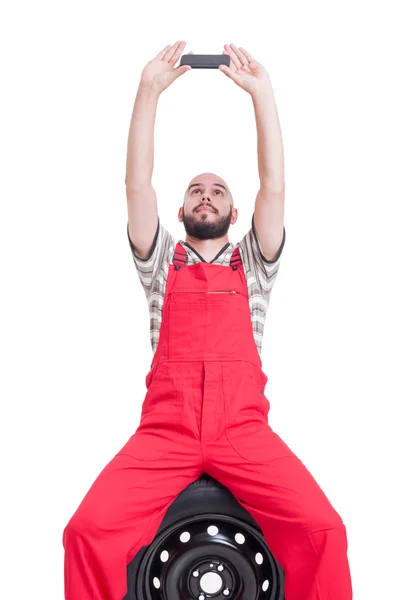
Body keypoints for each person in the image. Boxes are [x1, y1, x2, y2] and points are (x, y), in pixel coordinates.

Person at [62, 41, 353, 600]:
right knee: (87, 532)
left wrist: (262, 96)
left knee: (324, 532)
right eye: (196, 190)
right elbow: (136, 185)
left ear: (233, 214)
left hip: (242, 432)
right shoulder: (159, 264)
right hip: (165, 433)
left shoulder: (254, 265)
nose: (206, 196)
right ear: (180, 212)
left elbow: (275, 186)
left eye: (217, 191)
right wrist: (148, 91)